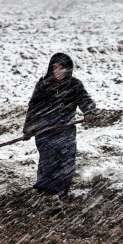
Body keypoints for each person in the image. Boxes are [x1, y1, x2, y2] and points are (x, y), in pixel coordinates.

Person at [22, 53, 98, 201]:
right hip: (45, 129)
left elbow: (85, 100)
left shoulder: (75, 85)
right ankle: (46, 191)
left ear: (68, 69)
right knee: (48, 160)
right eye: (55, 67)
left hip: (65, 128)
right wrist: (28, 129)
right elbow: (33, 107)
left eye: (61, 68)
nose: (58, 71)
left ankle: (61, 192)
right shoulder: (43, 85)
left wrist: (89, 111)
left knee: (66, 161)